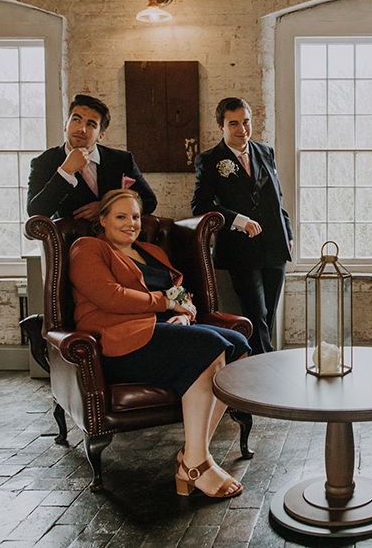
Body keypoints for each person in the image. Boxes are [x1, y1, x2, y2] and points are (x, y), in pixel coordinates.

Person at [69, 189, 250, 498]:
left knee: (238, 345)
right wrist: (165, 303)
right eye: (121, 216)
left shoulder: (153, 252)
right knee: (210, 347)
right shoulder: (88, 248)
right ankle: (197, 465)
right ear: (103, 220)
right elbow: (109, 296)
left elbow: (181, 296)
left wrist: (185, 316)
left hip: (162, 331)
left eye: (136, 217)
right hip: (119, 340)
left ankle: (194, 456)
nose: (131, 223)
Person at [191, 97, 293, 355]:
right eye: (233, 123)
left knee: (268, 311)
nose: (242, 130)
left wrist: (288, 232)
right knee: (255, 311)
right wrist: (239, 220)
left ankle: (261, 362)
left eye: (246, 122)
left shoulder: (265, 151)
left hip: (274, 244)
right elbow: (200, 205)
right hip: (241, 250)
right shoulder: (210, 160)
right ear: (221, 127)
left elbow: (277, 198)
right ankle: (265, 365)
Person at [27, 94, 157, 220]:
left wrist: (107, 206)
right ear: (65, 125)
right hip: (71, 240)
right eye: (76, 120)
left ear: (101, 135)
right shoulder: (43, 162)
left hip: (117, 240)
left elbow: (149, 201)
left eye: (91, 124)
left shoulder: (122, 160)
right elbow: (35, 212)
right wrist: (66, 171)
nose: (81, 129)